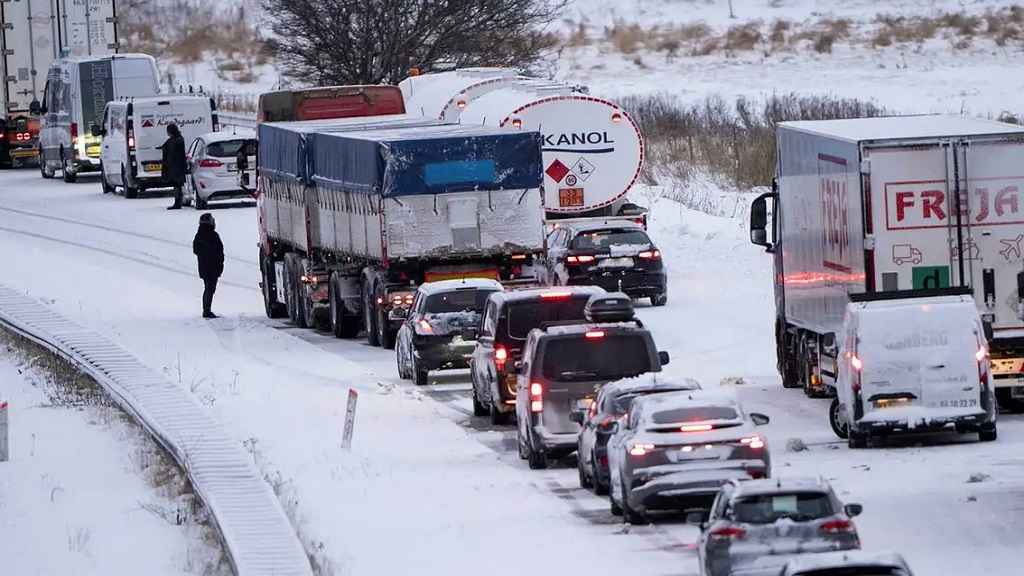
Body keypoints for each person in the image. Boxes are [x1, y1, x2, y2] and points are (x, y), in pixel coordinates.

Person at [193, 213, 224, 318]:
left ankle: (206, 309)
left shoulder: (200, 235)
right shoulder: (212, 235)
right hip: (211, 267)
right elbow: (219, 251)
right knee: (209, 288)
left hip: (205, 267)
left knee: (209, 288)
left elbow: (196, 249)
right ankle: (206, 310)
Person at [161, 123, 187, 210]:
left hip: (176, 166)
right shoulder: (178, 139)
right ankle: (178, 202)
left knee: (177, 185)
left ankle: (177, 203)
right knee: (177, 185)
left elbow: (171, 153)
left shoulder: (175, 140)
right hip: (178, 166)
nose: (167, 133)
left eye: (168, 131)